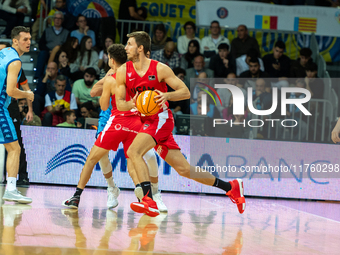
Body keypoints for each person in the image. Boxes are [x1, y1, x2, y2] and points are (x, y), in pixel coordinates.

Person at [115, 31, 246, 216]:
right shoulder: (123, 71)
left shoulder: (160, 69)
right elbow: (120, 103)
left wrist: (166, 95)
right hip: (146, 121)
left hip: (161, 118)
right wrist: (132, 103)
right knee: (184, 169)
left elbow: (185, 92)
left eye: (129, 44)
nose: (125, 47)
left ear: (140, 48)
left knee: (133, 152)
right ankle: (230, 187)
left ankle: (148, 200)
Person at [62, 44, 167, 212]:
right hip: (135, 121)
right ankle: (142, 197)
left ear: (111, 59)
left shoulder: (113, 77)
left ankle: (77, 196)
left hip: (117, 120)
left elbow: (100, 102)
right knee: (134, 159)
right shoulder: (136, 74)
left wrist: (107, 84)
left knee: (93, 158)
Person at [0, 26, 34, 203]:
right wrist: (27, 94)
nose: (29, 42)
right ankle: (11, 189)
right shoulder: (15, 61)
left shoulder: (4, 51)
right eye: (25, 39)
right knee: (15, 148)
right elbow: (12, 91)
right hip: (0, 107)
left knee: (13, 148)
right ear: (15, 41)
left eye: (29, 39)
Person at [34, 11, 69, 79]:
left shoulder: (66, 32)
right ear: (53, 19)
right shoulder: (47, 30)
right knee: (42, 53)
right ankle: (38, 76)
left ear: (62, 20)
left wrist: (57, 50)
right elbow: (41, 44)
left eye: (59, 18)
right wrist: (49, 51)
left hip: (60, 53)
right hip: (48, 52)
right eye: (56, 18)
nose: (57, 20)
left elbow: (67, 45)